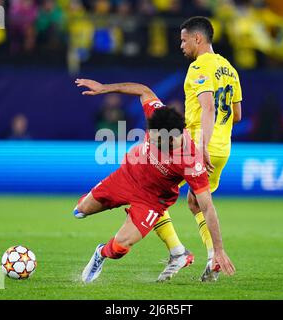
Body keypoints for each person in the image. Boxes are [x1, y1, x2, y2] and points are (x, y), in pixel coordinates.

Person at [73, 78, 236, 283]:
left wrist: (218, 250)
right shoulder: (159, 117)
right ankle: (177, 251)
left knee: (120, 247)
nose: (152, 140)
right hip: (127, 176)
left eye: (158, 139)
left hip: (151, 200)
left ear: (172, 138)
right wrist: (105, 88)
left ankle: (100, 255)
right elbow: (144, 89)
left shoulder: (191, 161)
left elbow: (207, 207)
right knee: (80, 210)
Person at [154, 16, 243, 282]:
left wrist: (201, 146)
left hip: (196, 145)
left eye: (183, 40)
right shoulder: (230, 69)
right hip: (223, 148)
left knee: (149, 195)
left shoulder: (199, 67)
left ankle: (176, 251)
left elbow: (208, 107)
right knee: (195, 203)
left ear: (197, 38)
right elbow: (237, 114)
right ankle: (213, 257)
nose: (181, 45)